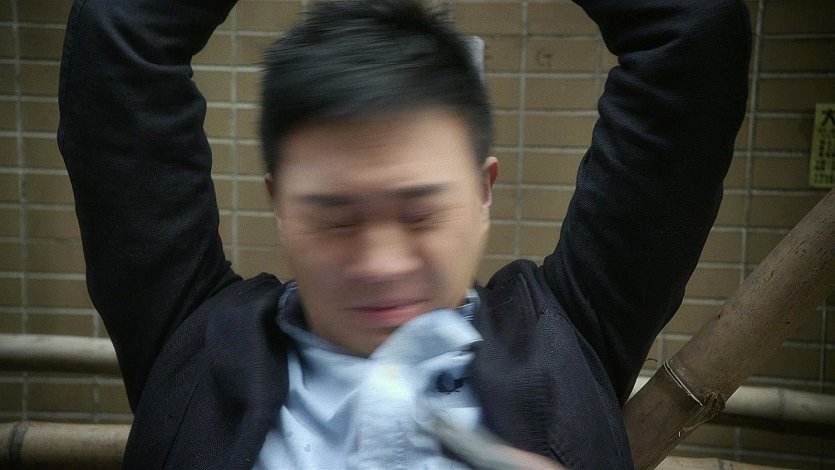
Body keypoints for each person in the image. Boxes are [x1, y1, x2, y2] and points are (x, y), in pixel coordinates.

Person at [57, 0, 750, 468]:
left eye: (420, 214)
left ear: (483, 191)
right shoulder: (197, 346)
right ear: (279, 205)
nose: (381, 264)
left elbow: (692, 31)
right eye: (335, 218)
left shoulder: (567, 334)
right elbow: (120, 32)